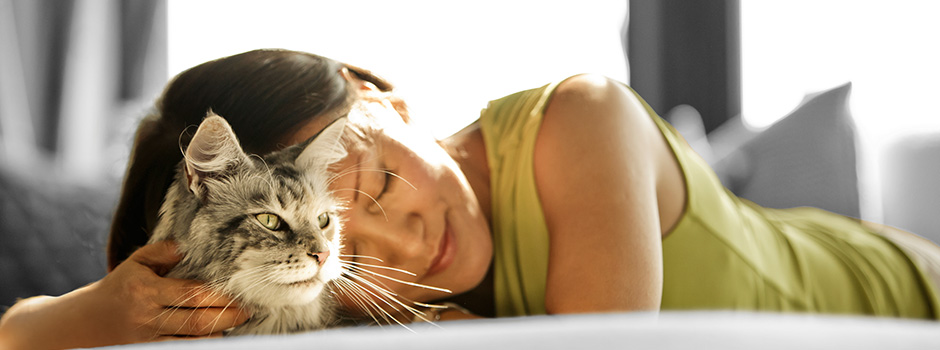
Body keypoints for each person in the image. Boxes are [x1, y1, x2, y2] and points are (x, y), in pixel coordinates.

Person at [2, 48, 939, 349]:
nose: (399, 244)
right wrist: (96, 310)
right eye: (346, 237)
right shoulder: (332, 289)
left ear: (386, 102)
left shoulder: (581, 121)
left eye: (371, 181)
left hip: (894, 282)